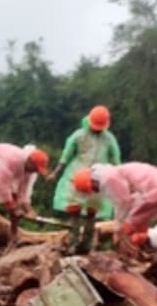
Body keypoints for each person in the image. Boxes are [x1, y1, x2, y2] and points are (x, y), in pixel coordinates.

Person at [47, 106, 122, 253]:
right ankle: (73, 241)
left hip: (97, 178)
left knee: (92, 212)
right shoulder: (79, 135)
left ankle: (87, 244)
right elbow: (66, 156)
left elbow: (116, 160)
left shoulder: (109, 139)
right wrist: (55, 173)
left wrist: (120, 178)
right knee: (74, 210)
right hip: (77, 177)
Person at [73, 163, 157, 254]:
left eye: (93, 190)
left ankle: (124, 256)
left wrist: (118, 229)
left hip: (156, 190)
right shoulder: (116, 171)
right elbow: (129, 201)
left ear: (92, 183)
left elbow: (123, 202)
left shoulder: (108, 179)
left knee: (124, 229)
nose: (95, 191)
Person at [0, 142, 50, 240]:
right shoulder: (12, 159)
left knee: (14, 198)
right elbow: (1, 186)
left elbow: (24, 192)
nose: (35, 171)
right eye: (35, 168)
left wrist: (30, 211)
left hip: (1, 171)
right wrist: (13, 208)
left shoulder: (31, 172)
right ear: (29, 161)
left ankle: (13, 235)